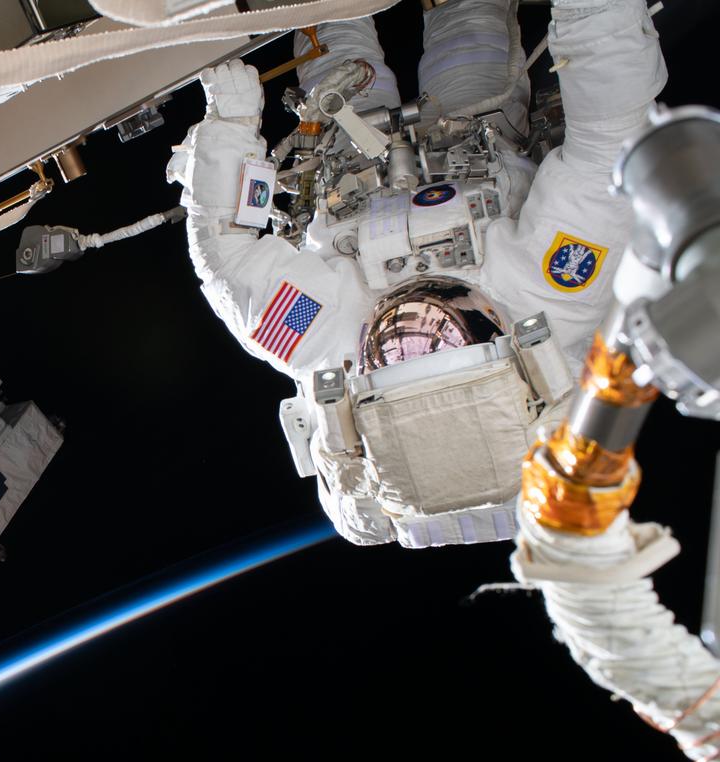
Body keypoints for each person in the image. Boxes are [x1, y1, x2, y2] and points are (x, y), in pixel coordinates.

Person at [167, 0, 667, 548]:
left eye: (396, 349)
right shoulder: (554, 289)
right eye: (442, 339)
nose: (414, 325)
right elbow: (610, 141)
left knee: (333, 30)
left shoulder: (320, 337)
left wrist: (229, 126)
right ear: (515, 353)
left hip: (346, 163)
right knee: (470, 25)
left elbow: (226, 258)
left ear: (363, 375)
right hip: (477, 128)